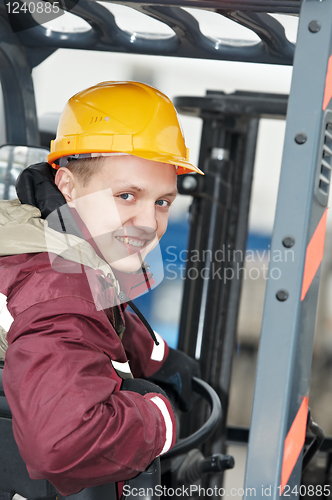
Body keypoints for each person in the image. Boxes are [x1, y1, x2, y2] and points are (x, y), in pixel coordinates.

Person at [0, 81, 203, 496]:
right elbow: (62, 444)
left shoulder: (40, 245)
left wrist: (156, 356)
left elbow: (89, 316)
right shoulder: (59, 290)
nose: (149, 223)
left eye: (162, 202)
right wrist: (161, 418)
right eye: (127, 195)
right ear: (68, 187)